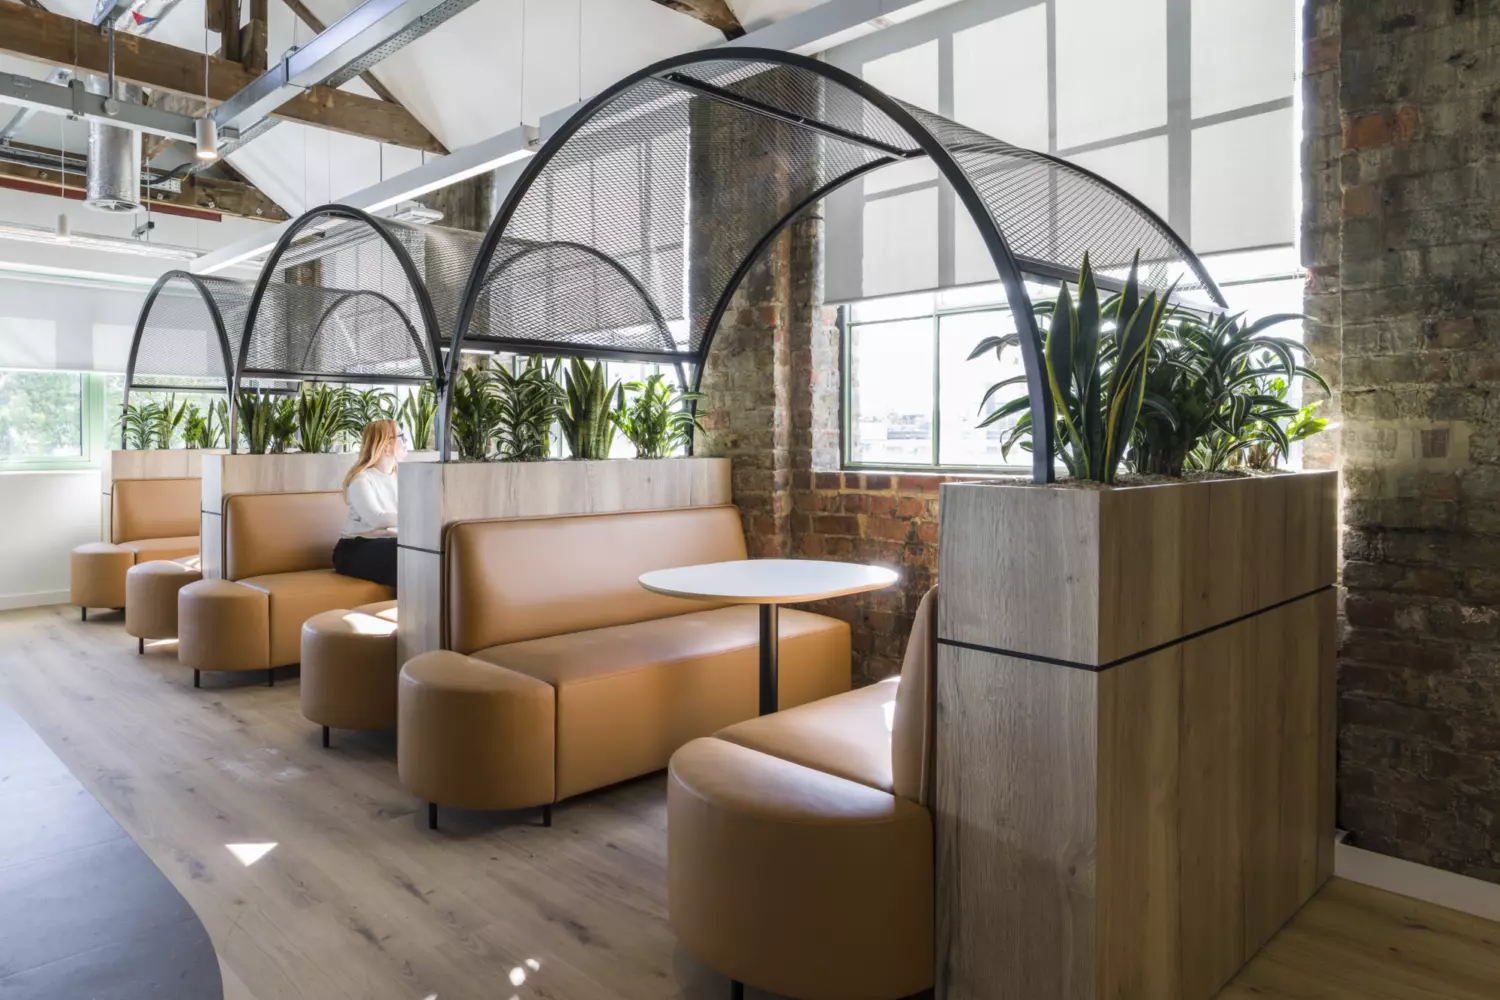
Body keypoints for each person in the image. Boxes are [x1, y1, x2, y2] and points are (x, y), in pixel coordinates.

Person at [333, 419, 406, 590]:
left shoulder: (400, 478)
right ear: (386, 446)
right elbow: (376, 518)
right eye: (401, 436)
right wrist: (413, 518)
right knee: (405, 553)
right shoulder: (362, 479)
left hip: (385, 544)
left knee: (420, 552)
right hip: (353, 549)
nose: (406, 442)